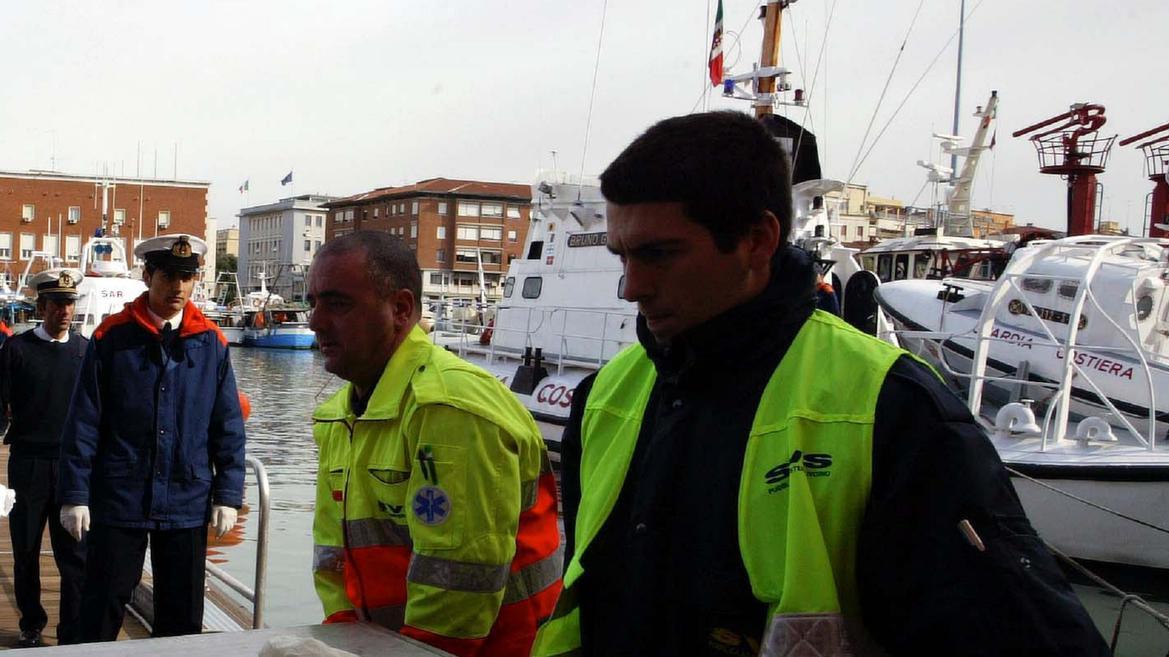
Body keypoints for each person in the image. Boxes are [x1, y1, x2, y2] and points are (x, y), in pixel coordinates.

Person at [533, 111, 1108, 657]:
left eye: (659, 255)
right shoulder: (607, 395)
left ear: (757, 239)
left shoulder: (890, 409)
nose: (631, 288)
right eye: (622, 258)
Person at [307, 231, 560, 656]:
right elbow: (333, 559)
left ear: (400, 309)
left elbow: (457, 592)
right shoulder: (339, 415)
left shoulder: (451, 411)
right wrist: (344, 639)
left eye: (338, 304)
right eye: (312, 302)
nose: (315, 321)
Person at [58, 234, 247, 641]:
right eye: (168, 275)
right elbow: (84, 421)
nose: (177, 286)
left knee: (182, 617)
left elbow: (227, 427)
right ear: (148, 275)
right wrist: (75, 495)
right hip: (120, 497)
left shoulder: (211, 343)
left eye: (187, 276)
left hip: (186, 498)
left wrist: (229, 496)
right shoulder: (112, 339)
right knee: (101, 607)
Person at [0, 269, 89, 647]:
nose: (65, 311)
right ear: (42, 306)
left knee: (75, 556)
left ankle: (71, 630)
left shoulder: (86, 351)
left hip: (72, 466)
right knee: (26, 550)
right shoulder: (16, 350)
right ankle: (31, 624)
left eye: (69, 303)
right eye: (57, 304)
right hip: (29, 463)